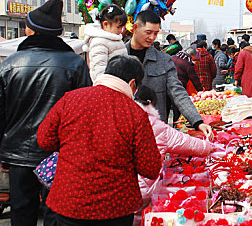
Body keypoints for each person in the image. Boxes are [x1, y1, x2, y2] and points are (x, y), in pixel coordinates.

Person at [0, 0, 91, 226]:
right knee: (56, 212)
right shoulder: (75, 64)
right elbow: (85, 112)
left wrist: (0, 153)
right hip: (59, 154)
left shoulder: (10, 63)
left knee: (22, 211)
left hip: (18, 155)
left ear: (30, 30)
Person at [37, 56, 161, 226]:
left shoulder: (70, 99)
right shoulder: (135, 113)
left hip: (70, 201)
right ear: (133, 84)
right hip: (116, 207)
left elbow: (44, 140)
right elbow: (150, 167)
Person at [133, 85, 213, 226]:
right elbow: (191, 144)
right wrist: (208, 145)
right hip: (145, 190)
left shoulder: (123, 119)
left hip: (122, 187)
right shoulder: (159, 127)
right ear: (151, 103)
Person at [126, 10, 212, 138]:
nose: (152, 38)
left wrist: (197, 121)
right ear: (135, 28)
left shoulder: (163, 60)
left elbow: (177, 92)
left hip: (154, 132)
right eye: (148, 32)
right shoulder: (118, 56)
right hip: (124, 128)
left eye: (156, 33)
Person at [84, 4, 128, 81]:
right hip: (108, 86)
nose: (121, 30)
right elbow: (99, 69)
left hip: (119, 83)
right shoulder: (99, 42)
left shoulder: (116, 38)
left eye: (122, 27)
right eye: (118, 27)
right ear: (105, 24)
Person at [171, 47, 204, 122]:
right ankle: (176, 124)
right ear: (192, 55)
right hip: (178, 87)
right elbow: (194, 78)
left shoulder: (173, 57)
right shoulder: (188, 63)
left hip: (167, 85)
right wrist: (200, 89)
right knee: (177, 108)